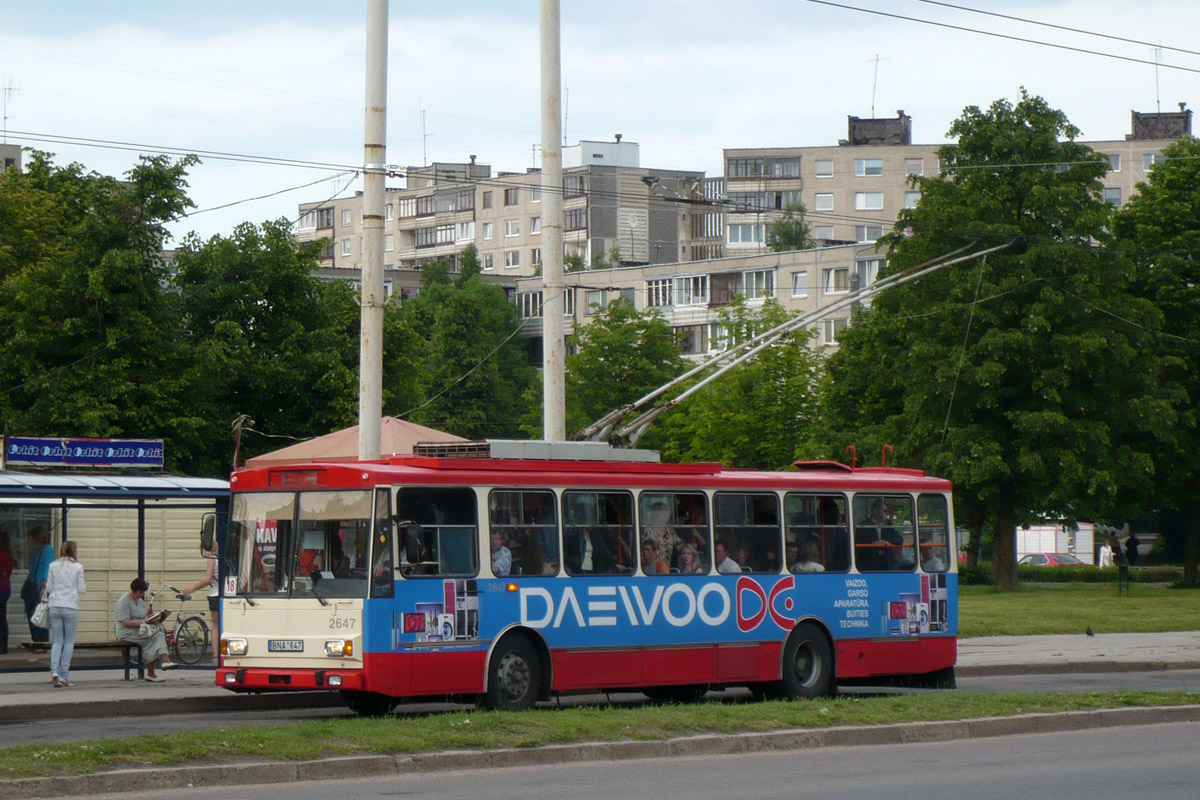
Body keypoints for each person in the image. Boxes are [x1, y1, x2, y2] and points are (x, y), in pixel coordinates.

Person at [115, 578, 177, 681]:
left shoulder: (140, 601)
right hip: (126, 632)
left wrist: (152, 618)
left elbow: (143, 616)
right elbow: (125, 623)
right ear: (134, 590)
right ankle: (157, 667)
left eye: (143, 592)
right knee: (154, 638)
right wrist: (144, 622)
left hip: (140, 630)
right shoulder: (124, 601)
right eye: (140, 592)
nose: (141, 595)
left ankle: (163, 663)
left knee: (158, 634)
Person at [46, 541, 86, 687]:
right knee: (69, 642)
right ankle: (64, 675)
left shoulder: (53, 565)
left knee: (57, 641)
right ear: (74, 551)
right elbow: (82, 589)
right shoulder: (78, 567)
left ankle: (54, 672)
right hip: (70, 606)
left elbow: (49, 587)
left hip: (54, 605)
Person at [181, 547, 220, 662]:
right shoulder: (222, 558)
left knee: (216, 626)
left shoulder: (211, 559)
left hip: (215, 594)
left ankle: (216, 655)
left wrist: (192, 588)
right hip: (226, 593)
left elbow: (207, 580)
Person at [25, 526, 54, 650]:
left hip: (40, 587)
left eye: (32, 538)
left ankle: (41, 642)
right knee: (32, 614)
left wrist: (43, 586)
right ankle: (36, 641)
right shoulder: (38, 551)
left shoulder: (47, 550)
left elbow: (47, 568)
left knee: (39, 615)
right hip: (32, 586)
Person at [0, 531, 13, 654]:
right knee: (2, 617)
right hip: (5, 587)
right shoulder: (8, 556)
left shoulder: (2, 556)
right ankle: (3, 645)